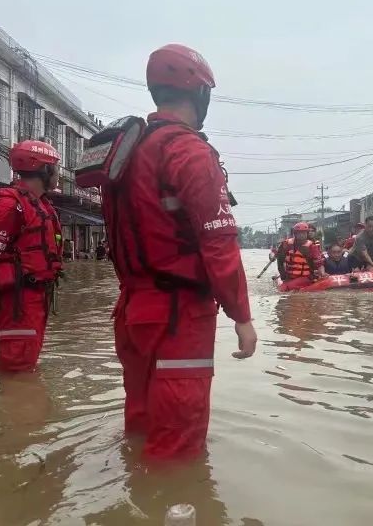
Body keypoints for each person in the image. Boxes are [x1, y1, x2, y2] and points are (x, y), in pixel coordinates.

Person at [99, 43, 256, 461]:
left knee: (141, 422)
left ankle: (134, 498)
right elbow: (219, 243)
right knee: (178, 445)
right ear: (199, 93)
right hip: (178, 316)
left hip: (132, 310)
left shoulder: (127, 152)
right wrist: (242, 316)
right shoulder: (189, 151)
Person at [0, 140, 63, 372]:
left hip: (33, 300)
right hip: (18, 304)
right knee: (17, 373)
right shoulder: (10, 205)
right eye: (56, 168)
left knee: (25, 366)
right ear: (45, 169)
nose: (58, 174)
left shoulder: (40, 205)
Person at [276, 222, 324, 290]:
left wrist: (322, 274)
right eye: (299, 233)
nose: (302, 235)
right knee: (284, 287)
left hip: (306, 277)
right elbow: (280, 261)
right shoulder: (286, 244)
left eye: (304, 233)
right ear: (295, 234)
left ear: (307, 234)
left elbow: (319, 263)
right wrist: (283, 276)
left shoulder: (312, 246)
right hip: (290, 276)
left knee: (285, 288)